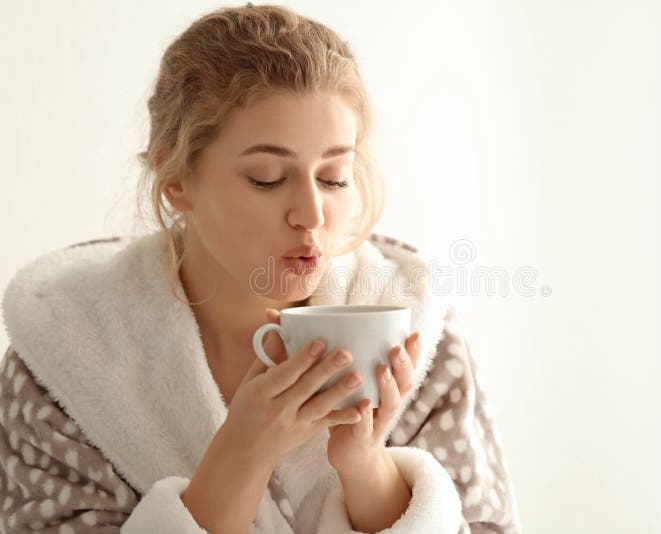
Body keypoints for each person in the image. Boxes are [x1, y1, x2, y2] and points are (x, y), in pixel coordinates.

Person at [0, 4, 522, 533]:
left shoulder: (415, 335)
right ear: (176, 178)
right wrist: (242, 452)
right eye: (268, 178)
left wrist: (367, 467)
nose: (312, 215)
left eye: (336, 177)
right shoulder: (66, 358)